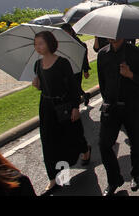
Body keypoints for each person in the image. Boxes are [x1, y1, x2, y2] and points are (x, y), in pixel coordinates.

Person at [32, 31, 91, 196]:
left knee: (71, 136)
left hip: (64, 105)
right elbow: (42, 86)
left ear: (50, 44)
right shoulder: (37, 65)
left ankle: (85, 149)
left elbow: (72, 87)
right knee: (49, 142)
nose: (37, 47)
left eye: (41, 43)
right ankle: (53, 178)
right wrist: (37, 84)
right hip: (46, 107)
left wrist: (75, 107)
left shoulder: (62, 63)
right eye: (35, 44)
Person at [97, 38, 139, 196]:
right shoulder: (102, 54)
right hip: (111, 106)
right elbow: (102, 81)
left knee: (135, 142)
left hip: (131, 105)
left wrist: (130, 74)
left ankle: (136, 174)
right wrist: (107, 100)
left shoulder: (136, 53)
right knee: (104, 144)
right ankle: (114, 180)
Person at [60, 24, 91, 106]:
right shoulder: (62, 43)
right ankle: (84, 96)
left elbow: (84, 58)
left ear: (70, 32)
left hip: (77, 69)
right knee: (71, 87)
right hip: (66, 69)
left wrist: (86, 70)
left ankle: (76, 104)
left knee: (75, 87)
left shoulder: (79, 43)